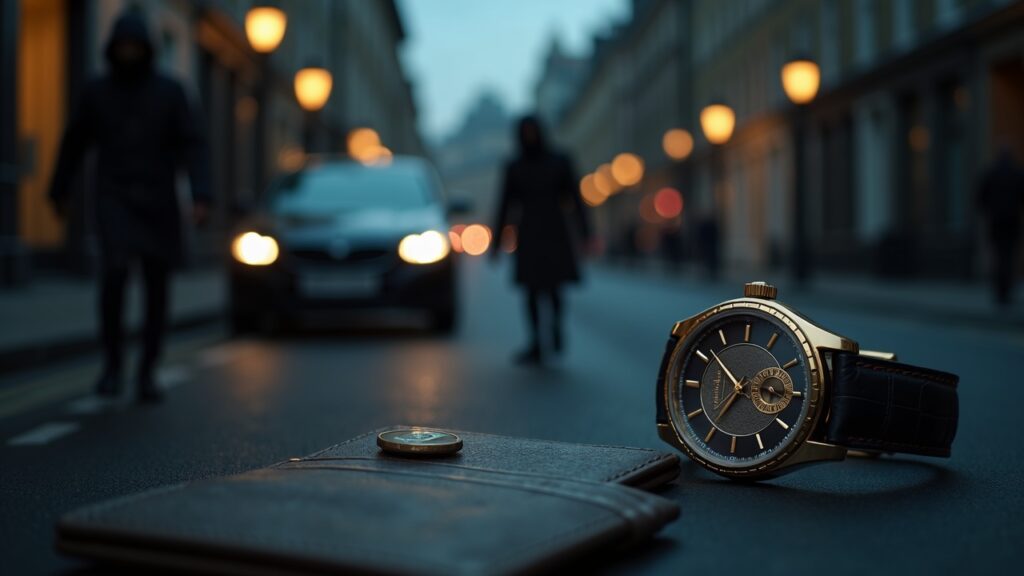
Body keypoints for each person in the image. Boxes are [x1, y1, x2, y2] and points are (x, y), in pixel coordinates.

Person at [49, 9, 209, 402]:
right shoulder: (97, 91)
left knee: (156, 287)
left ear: (148, 49)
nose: (129, 53)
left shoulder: (171, 92)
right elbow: (75, 141)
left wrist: (202, 194)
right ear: (112, 48)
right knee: (115, 276)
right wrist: (60, 187)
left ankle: (147, 371)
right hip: (114, 197)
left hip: (158, 202)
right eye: (123, 46)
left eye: (136, 46)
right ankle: (112, 367)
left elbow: (193, 145)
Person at [492, 116, 591, 364]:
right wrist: (496, 243)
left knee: (555, 287)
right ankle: (536, 341)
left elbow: (576, 200)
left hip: (555, 230)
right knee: (531, 291)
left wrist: (586, 233)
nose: (529, 136)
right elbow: (504, 205)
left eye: (532, 131)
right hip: (528, 233)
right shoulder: (514, 166)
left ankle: (555, 328)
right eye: (525, 132)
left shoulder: (560, 161)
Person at [977, 147, 1024, 306]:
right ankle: (1006, 289)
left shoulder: (991, 173)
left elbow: (980, 198)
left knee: (998, 255)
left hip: (995, 221)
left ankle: (1000, 291)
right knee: (1009, 255)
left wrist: (987, 212)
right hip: (1012, 220)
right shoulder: (1017, 173)